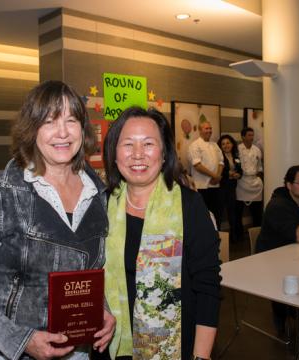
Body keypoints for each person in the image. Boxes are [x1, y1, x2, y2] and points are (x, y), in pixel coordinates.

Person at [0, 81, 115, 360]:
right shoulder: (1, 193)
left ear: (83, 130)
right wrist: (20, 339)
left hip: (75, 352)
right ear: (32, 130)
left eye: (71, 120)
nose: (62, 132)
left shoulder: (98, 196)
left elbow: (89, 272)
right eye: (49, 121)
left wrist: (101, 310)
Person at [102, 107, 221, 360]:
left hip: (176, 347)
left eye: (148, 144)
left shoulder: (188, 206)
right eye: (127, 144)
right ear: (114, 153)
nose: (137, 154)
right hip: (113, 347)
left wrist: (201, 356)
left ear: (164, 154)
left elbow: (208, 287)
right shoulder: (101, 207)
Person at [255, 165, 299, 336]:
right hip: (270, 260)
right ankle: (283, 311)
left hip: (294, 254)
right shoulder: (278, 205)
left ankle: (295, 309)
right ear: (289, 185)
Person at [187, 121, 224, 228]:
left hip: (215, 186)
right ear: (200, 130)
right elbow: (197, 165)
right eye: (206, 128)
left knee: (217, 214)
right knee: (203, 216)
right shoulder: (195, 145)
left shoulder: (215, 145)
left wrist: (218, 176)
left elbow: (221, 161)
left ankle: (218, 236)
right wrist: (214, 176)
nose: (209, 131)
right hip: (202, 186)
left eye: (210, 128)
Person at [235, 127, 263, 242]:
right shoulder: (237, 149)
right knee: (238, 212)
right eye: (249, 135)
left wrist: (260, 178)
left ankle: (258, 236)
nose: (252, 137)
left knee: (257, 212)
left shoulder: (257, 150)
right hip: (241, 183)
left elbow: (260, 166)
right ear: (243, 137)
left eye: (252, 135)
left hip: (255, 183)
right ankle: (238, 236)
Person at [217, 134, 242, 243]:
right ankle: (218, 238)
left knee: (232, 213)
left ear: (232, 144)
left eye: (228, 143)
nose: (226, 145)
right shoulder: (219, 156)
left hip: (232, 188)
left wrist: (239, 175)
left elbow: (240, 170)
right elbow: (219, 172)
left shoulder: (236, 156)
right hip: (222, 188)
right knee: (219, 213)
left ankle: (234, 236)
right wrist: (229, 174)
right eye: (223, 144)